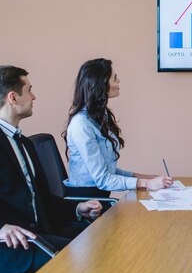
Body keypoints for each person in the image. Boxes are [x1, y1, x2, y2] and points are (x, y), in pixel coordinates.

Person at [0, 65, 102, 273]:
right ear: (13, 97)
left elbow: (41, 201)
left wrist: (77, 208)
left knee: (102, 241)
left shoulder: (24, 143)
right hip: (8, 248)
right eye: (29, 89)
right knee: (88, 259)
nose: (34, 96)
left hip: (39, 234)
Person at [63, 58, 172, 193]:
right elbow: (103, 180)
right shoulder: (81, 125)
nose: (119, 81)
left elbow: (109, 170)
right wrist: (146, 183)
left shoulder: (100, 117)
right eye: (115, 78)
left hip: (98, 195)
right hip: (87, 200)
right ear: (100, 84)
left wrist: (145, 178)